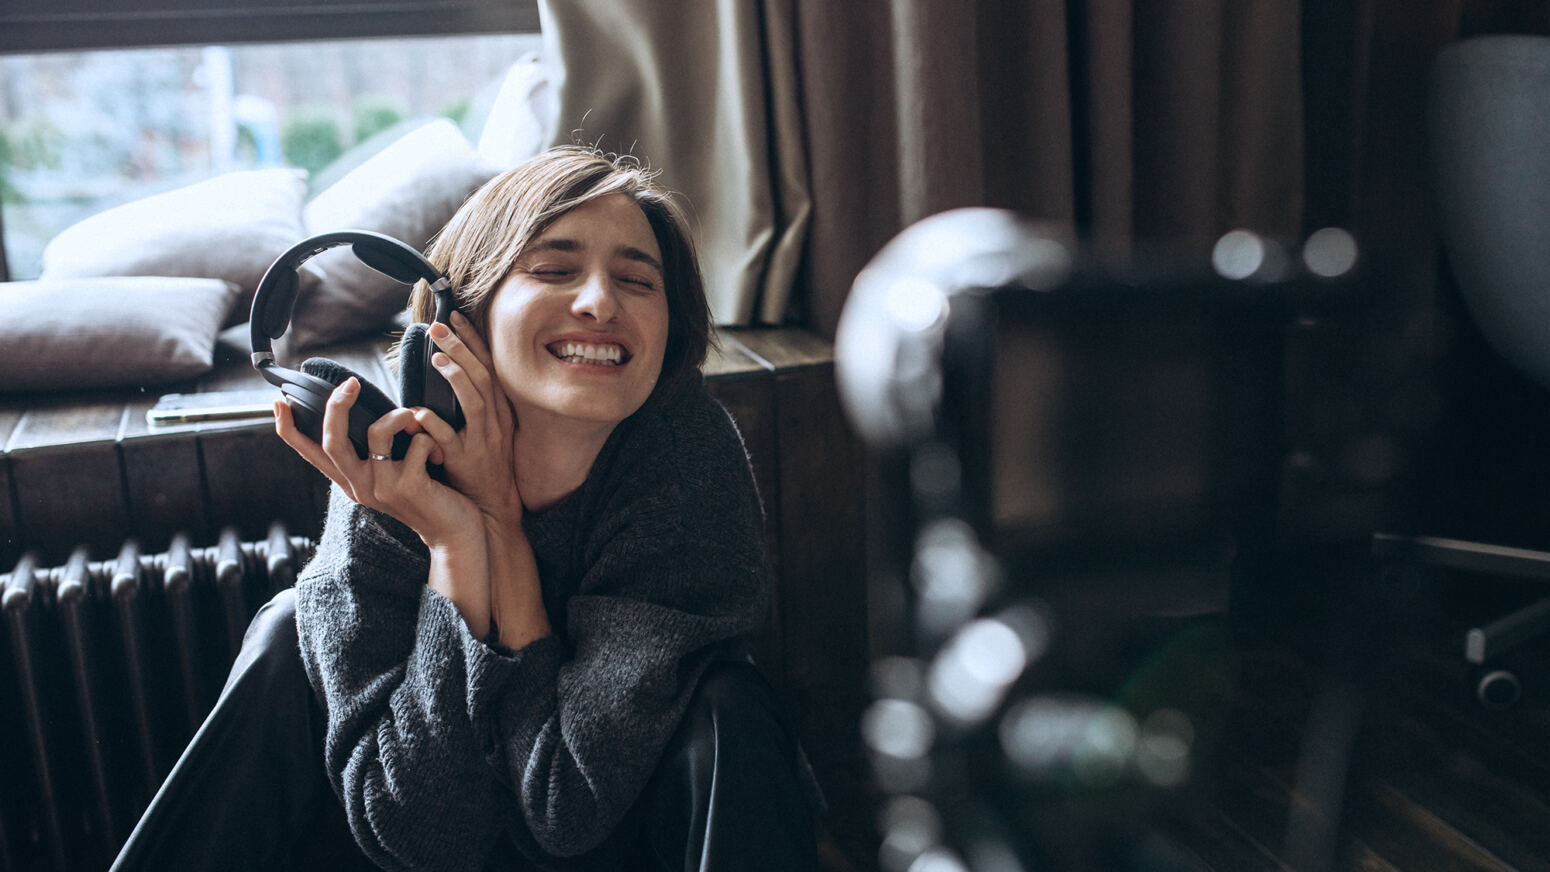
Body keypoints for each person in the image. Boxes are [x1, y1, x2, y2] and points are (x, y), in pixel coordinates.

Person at [111, 146, 821, 871]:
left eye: (638, 280)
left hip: (619, 842)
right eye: (553, 270)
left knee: (731, 706)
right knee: (284, 632)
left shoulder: (685, 461)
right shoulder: (393, 464)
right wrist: (454, 544)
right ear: (460, 319)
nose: (601, 303)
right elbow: (419, 832)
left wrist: (498, 528)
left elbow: (565, 806)